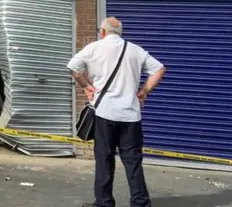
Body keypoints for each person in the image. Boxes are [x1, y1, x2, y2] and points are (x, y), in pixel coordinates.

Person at [67, 17, 166, 207]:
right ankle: (140, 203)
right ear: (120, 32)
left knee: (104, 159)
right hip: (131, 115)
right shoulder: (135, 50)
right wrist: (144, 91)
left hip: (105, 113)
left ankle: (104, 203)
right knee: (133, 161)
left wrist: (87, 86)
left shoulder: (94, 48)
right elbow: (159, 69)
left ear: (103, 32)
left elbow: (74, 67)